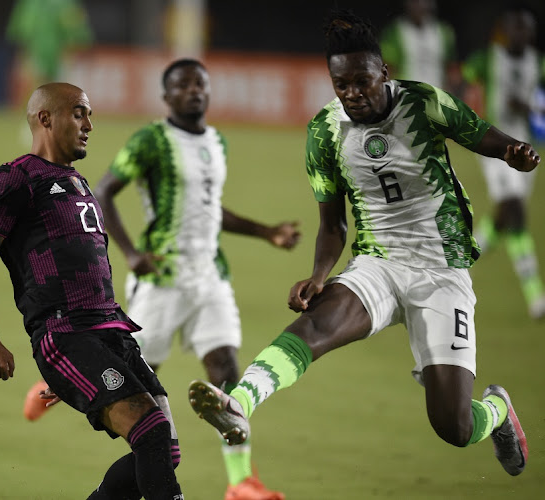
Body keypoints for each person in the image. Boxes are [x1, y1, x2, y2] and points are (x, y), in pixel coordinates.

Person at [187, 10, 537, 481]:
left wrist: (514, 150)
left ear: (384, 73)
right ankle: (239, 402)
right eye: (341, 85)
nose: (352, 94)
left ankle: (496, 411)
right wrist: (318, 275)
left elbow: (481, 135)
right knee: (315, 326)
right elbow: (332, 224)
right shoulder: (324, 133)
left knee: (453, 425)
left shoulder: (423, 102)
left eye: (362, 82)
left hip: (441, 270)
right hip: (378, 263)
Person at [25, 58, 298, 500]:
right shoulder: (152, 140)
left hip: (210, 277)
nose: (195, 91)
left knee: (227, 372)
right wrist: (132, 254)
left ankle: (241, 481)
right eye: (184, 85)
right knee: (136, 379)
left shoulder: (217, 142)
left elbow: (210, 208)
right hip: (162, 278)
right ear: (166, 96)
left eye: (201, 84)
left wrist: (267, 232)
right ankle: (56, 380)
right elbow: (103, 189)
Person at [0, 82, 184, 500]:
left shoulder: (76, 182)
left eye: (90, 115)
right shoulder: (17, 179)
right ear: (46, 118)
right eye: (79, 113)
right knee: (150, 431)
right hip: (65, 336)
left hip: (112, 332)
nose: (89, 125)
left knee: (163, 450)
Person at [461, 5, 545, 319]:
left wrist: (532, 110)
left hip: (529, 148)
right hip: (496, 145)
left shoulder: (538, 63)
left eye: (525, 28)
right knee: (516, 210)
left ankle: (463, 259)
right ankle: (536, 295)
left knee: (504, 217)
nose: (520, 34)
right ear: (504, 31)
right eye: (515, 28)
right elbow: (461, 85)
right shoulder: (486, 60)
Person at [380, 0, 459, 91]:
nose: (419, 5)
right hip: (406, 94)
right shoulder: (394, 32)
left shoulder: (444, 31)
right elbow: (389, 67)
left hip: (437, 92)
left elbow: (451, 68)